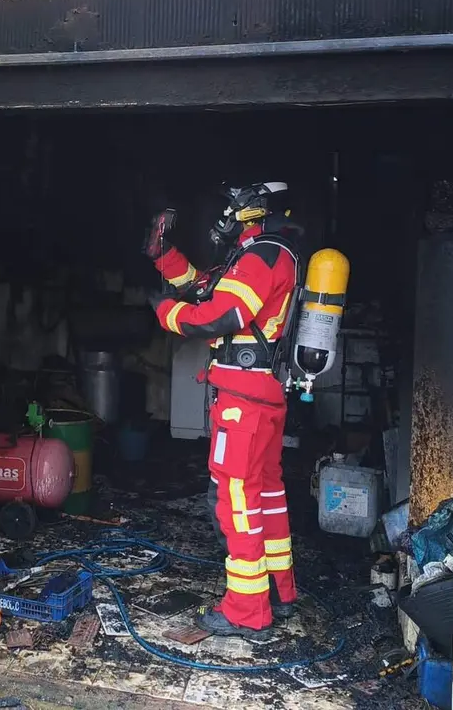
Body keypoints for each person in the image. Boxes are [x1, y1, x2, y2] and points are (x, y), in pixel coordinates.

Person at [143, 182, 300, 639]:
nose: (222, 219)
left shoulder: (262, 256)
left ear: (249, 213)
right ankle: (278, 591)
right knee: (266, 494)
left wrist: (166, 314)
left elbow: (220, 314)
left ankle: (247, 612)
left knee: (237, 499)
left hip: (243, 402)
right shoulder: (262, 254)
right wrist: (162, 255)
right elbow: (204, 287)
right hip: (258, 395)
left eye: (228, 211)